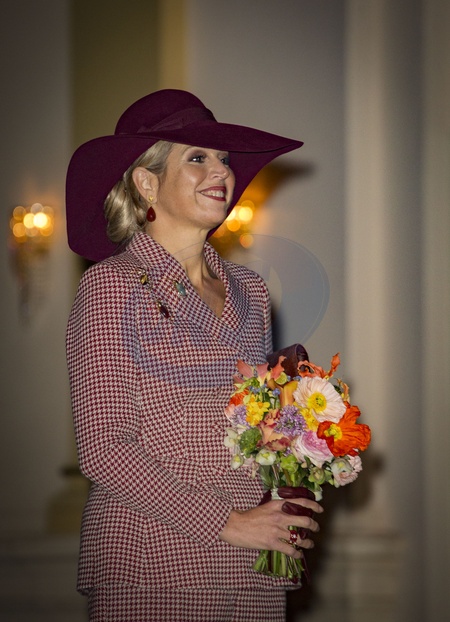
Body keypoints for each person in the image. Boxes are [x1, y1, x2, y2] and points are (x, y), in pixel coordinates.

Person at [65, 89, 323, 622]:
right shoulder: (111, 287)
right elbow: (104, 448)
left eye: (224, 159)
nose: (222, 171)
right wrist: (230, 523)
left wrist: (297, 471)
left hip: (254, 572)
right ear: (146, 182)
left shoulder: (251, 291)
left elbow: (256, 426)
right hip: (154, 566)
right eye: (198, 157)